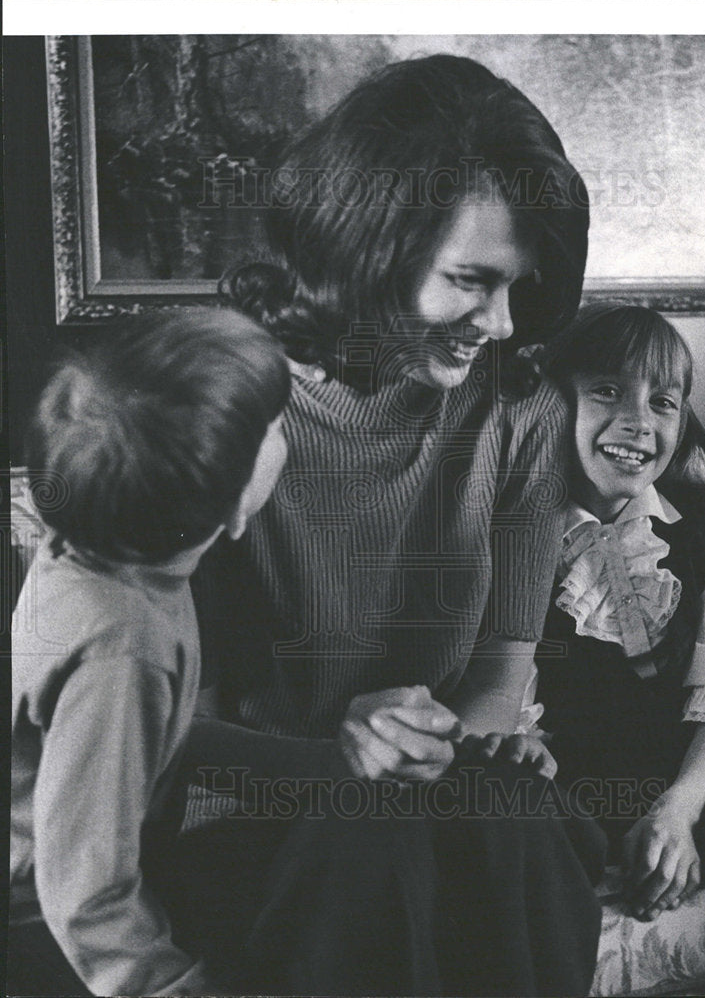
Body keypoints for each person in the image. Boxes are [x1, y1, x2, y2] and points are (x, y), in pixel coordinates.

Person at [188, 54, 606, 995]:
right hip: (263, 801)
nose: (500, 324)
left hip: (442, 788)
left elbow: (504, 664)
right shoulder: (221, 406)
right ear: (368, 247)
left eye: (516, 286)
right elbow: (168, 717)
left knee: (513, 817)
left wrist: (432, 744)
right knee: (377, 836)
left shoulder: (521, 412)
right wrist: (339, 751)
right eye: (470, 280)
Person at [9, 309, 291, 996]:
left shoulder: (108, 551)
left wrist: (316, 767)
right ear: (229, 510)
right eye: (277, 429)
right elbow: (86, 889)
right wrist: (174, 987)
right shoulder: (122, 649)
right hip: (38, 927)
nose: (290, 434)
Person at [531, 304, 705, 982]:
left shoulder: (701, 516)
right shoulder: (517, 528)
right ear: (552, 403)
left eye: (663, 402)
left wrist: (680, 808)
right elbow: (518, 723)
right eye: (606, 392)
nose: (638, 421)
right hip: (600, 764)